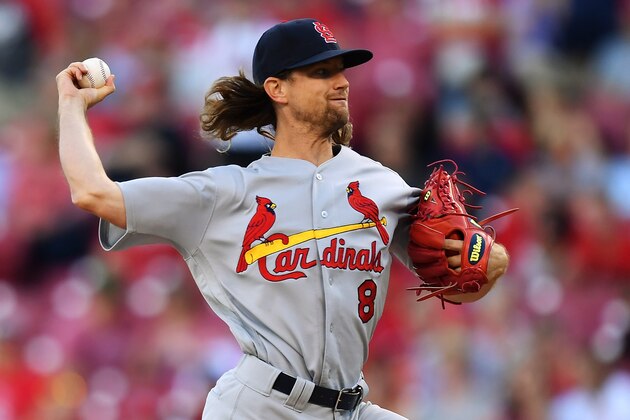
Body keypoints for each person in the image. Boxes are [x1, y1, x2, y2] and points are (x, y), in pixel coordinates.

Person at [56, 18, 510, 420]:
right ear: (278, 89)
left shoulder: (384, 185)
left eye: (340, 70)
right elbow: (93, 192)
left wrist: (491, 262)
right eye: (321, 72)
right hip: (262, 406)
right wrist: (71, 106)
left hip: (350, 406)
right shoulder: (227, 192)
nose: (341, 82)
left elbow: (461, 279)